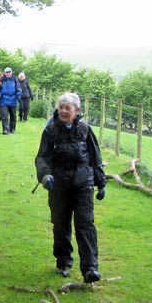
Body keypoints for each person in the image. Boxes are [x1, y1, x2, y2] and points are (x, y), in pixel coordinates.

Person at [35, 92, 107, 283]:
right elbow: (42, 156)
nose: (64, 111)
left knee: (85, 224)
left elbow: (95, 156)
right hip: (58, 185)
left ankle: (90, 268)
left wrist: (100, 183)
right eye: (61, 107)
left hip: (83, 182)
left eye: (68, 108)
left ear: (77, 110)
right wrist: (44, 175)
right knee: (60, 224)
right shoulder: (50, 130)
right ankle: (63, 261)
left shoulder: (84, 129)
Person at [0, 67, 21, 134]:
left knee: (13, 115)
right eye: (6, 72)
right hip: (4, 99)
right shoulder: (2, 80)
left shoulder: (15, 79)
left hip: (13, 99)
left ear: (11, 72)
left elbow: (19, 88)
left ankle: (12, 129)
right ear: (5, 73)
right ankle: (5, 129)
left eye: (9, 72)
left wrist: (18, 94)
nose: (8, 74)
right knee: (4, 115)